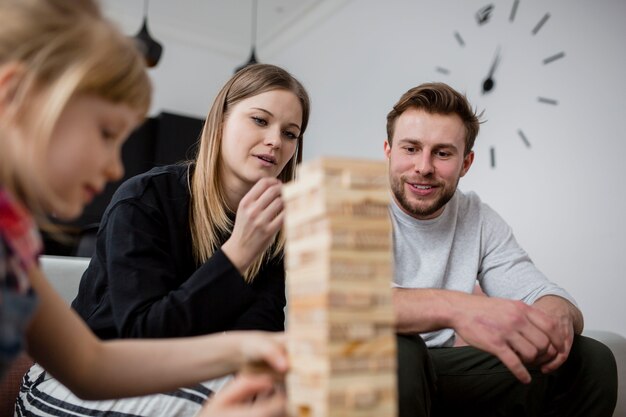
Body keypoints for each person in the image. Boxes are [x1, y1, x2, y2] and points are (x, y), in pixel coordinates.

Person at [0, 0, 289, 416]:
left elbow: (88, 366)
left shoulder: (14, 242)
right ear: (14, 95)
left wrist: (254, 349)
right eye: (105, 132)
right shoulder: (146, 196)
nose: (116, 165)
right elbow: (115, 348)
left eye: (290, 132)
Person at [386, 82, 618, 417]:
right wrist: (459, 309)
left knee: (590, 360)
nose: (424, 166)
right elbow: (354, 305)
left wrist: (553, 322)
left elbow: (543, 292)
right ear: (388, 151)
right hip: (368, 366)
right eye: (411, 148)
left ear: (466, 163)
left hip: (441, 370)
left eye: (443, 153)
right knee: (400, 349)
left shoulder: (477, 217)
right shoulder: (352, 205)